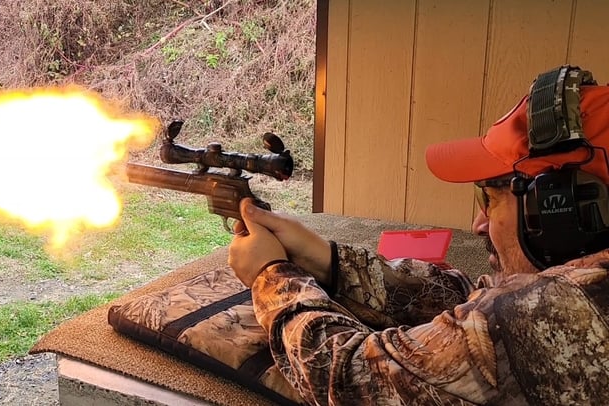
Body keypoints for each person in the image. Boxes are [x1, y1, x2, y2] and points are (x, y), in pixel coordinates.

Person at [228, 65, 609, 405]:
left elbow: (347, 379)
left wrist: (271, 277)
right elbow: (473, 302)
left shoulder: (568, 308)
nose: (479, 224)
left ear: (563, 209)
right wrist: (329, 260)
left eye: (491, 198)